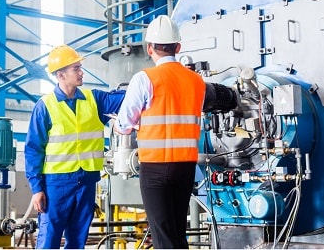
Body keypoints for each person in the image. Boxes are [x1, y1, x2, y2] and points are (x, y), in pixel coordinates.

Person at [114, 15, 206, 249]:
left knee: (163, 236)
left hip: (156, 168)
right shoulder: (197, 82)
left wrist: (119, 125)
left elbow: (125, 123)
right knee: (177, 233)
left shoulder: (145, 78)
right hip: (186, 167)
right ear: (178, 47)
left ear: (149, 48)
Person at [25, 44, 125, 249]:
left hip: (86, 182)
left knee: (78, 241)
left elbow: (125, 99)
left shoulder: (94, 99)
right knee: (49, 239)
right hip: (56, 184)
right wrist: (37, 188)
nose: (81, 72)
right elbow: (33, 149)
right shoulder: (45, 106)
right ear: (60, 75)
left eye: (80, 67)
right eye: (76, 69)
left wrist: (150, 83)